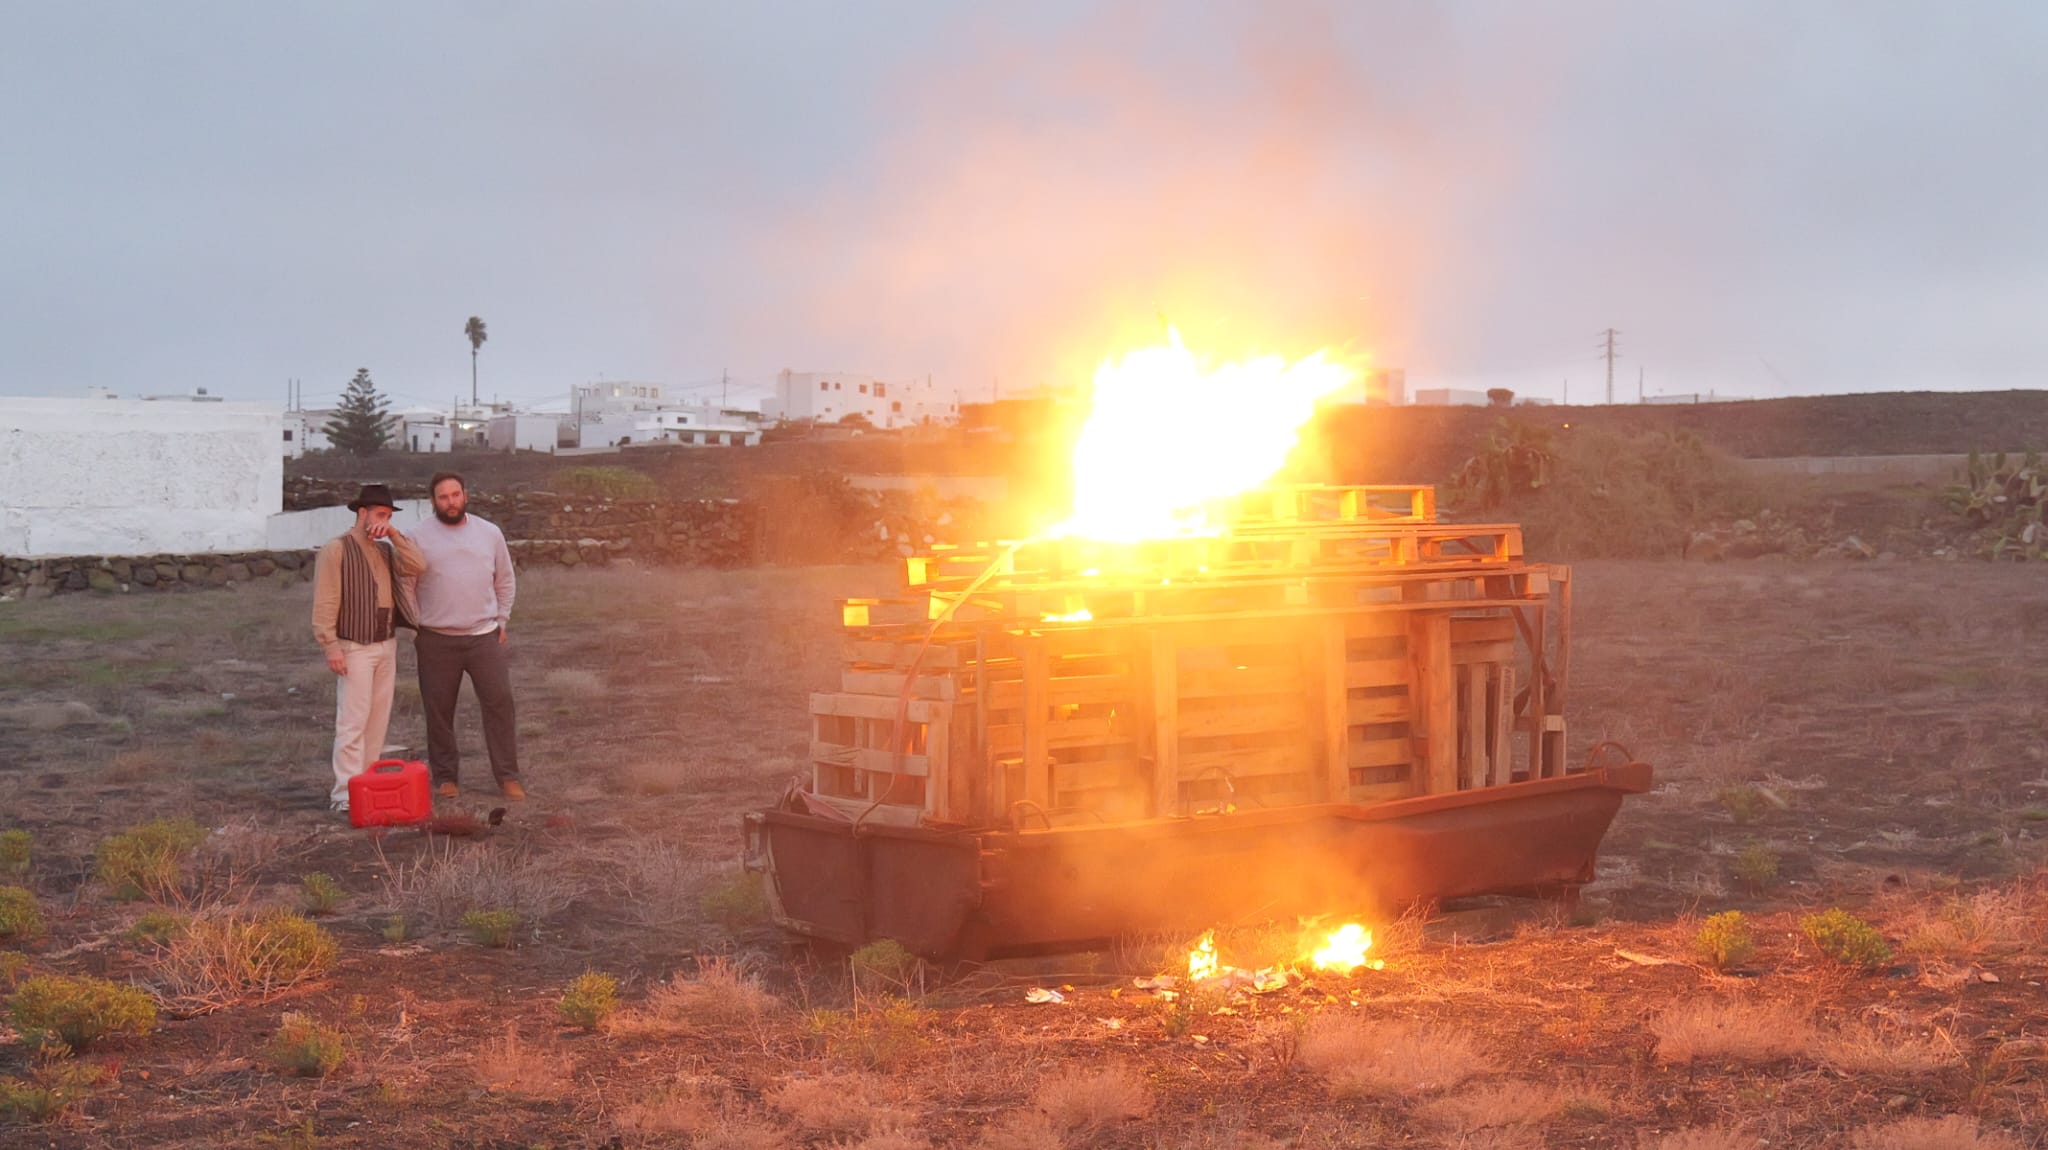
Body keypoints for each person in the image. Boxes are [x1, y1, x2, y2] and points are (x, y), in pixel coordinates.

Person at [408, 471, 525, 800]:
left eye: (455, 494)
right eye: (443, 497)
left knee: (500, 702)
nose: (450, 502)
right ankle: (446, 778)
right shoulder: (417, 536)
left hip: (483, 636)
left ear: (465, 496)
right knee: (439, 710)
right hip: (435, 640)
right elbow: (406, 585)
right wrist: (418, 624)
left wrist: (502, 619)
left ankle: (508, 777)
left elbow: (505, 578)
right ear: (433, 501)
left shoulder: (489, 533)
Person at [311, 483, 426, 814]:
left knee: (377, 722)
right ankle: (344, 796)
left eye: (388, 516)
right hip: (354, 646)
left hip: (385, 644)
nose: (382, 520)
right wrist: (330, 646)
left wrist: (393, 533)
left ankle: (367, 788)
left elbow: (419, 566)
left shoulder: (386, 550)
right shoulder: (337, 549)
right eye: (379, 514)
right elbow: (326, 600)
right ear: (361, 513)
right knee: (352, 723)